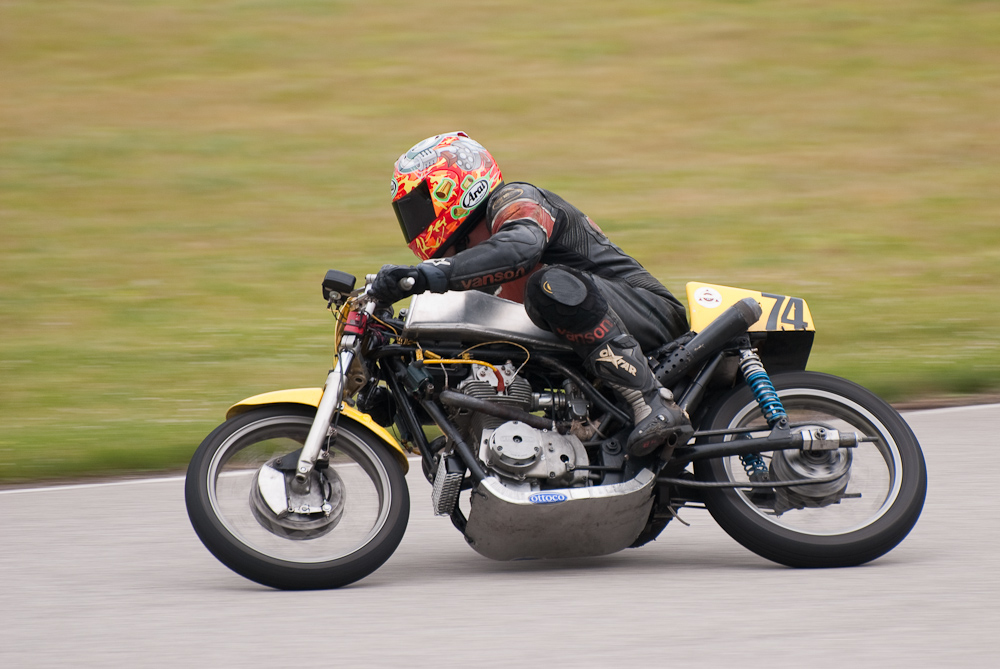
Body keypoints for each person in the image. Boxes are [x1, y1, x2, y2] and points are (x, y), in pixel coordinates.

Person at [371, 131, 692, 457]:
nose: (413, 225)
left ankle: (652, 402)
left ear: (451, 189)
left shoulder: (513, 200)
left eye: (417, 210)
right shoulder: (471, 268)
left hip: (650, 313)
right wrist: (401, 395)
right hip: (583, 351)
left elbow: (521, 249)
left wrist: (428, 274)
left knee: (547, 285)